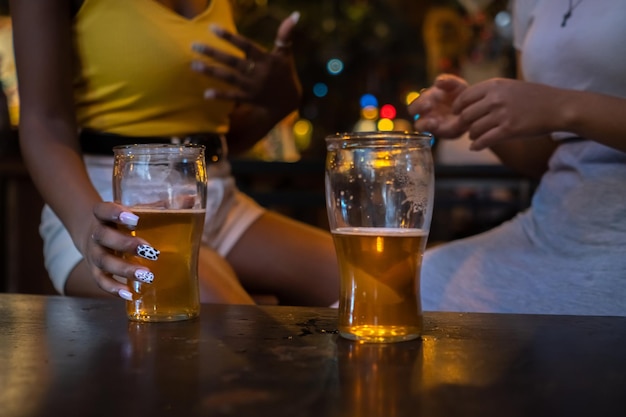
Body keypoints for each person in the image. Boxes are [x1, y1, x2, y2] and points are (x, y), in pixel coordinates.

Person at [10, 0, 339, 307]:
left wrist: (279, 102)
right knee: (231, 321)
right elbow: (44, 122)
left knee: (379, 286)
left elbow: (213, 140)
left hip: (216, 202)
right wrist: (90, 230)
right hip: (107, 202)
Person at [409, 0, 626, 316]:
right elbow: (541, 158)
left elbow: (556, 109)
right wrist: (474, 112)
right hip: (548, 233)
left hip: (612, 251)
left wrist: (561, 106)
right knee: (394, 299)